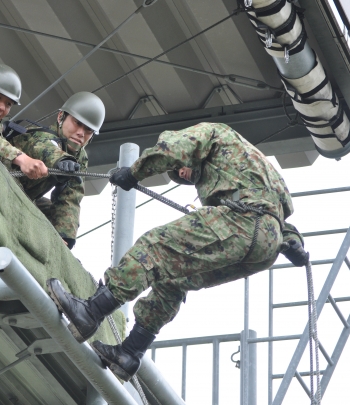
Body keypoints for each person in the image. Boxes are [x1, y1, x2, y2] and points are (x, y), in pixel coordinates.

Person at [47, 122, 309, 381]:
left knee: (154, 247)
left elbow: (172, 149)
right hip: (265, 244)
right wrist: (293, 240)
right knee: (174, 279)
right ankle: (129, 353)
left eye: (181, 169)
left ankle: (90, 312)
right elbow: (272, 212)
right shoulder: (253, 164)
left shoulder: (214, 132)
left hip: (242, 222)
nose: (182, 174)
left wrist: (133, 173)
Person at [10, 92, 105, 249]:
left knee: (50, 215)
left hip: (27, 196)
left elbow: (70, 196)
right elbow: (44, 147)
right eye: (77, 123)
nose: (81, 133)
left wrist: (65, 237)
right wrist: (61, 160)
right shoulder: (40, 135)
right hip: (8, 182)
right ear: (61, 117)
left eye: (88, 130)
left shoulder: (79, 158)